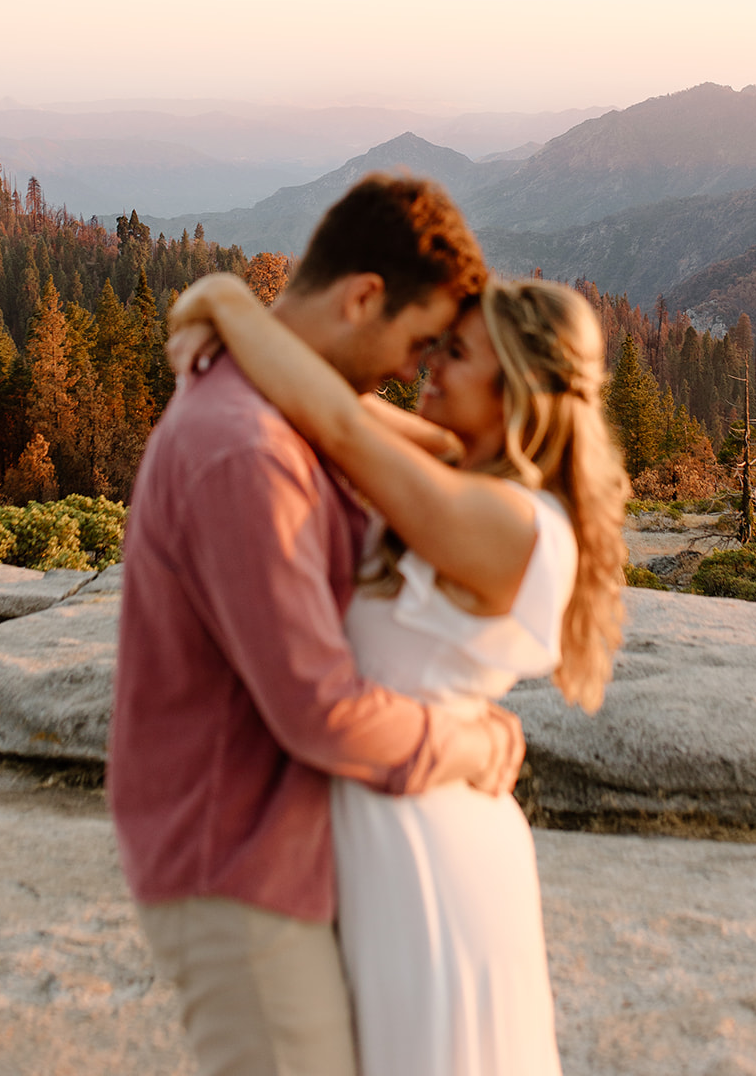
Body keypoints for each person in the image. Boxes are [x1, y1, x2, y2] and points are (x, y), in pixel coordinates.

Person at [107, 174, 526, 1076]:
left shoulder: (280, 413)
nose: (415, 373)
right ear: (363, 296)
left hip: (280, 852)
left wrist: (222, 300)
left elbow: (428, 447)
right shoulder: (245, 453)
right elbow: (318, 709)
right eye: (418, 343)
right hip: (237, 870)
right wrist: (473, 745)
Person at [167, 264, 630, 1076]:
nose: (431, 365)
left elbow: (341, 428)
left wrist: (226, 302)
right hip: (385, 815)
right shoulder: (467, 472)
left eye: (456, 353)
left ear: (517, 384)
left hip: (426, 852)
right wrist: (242, 335)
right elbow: (345, 411)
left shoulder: (510, 520)